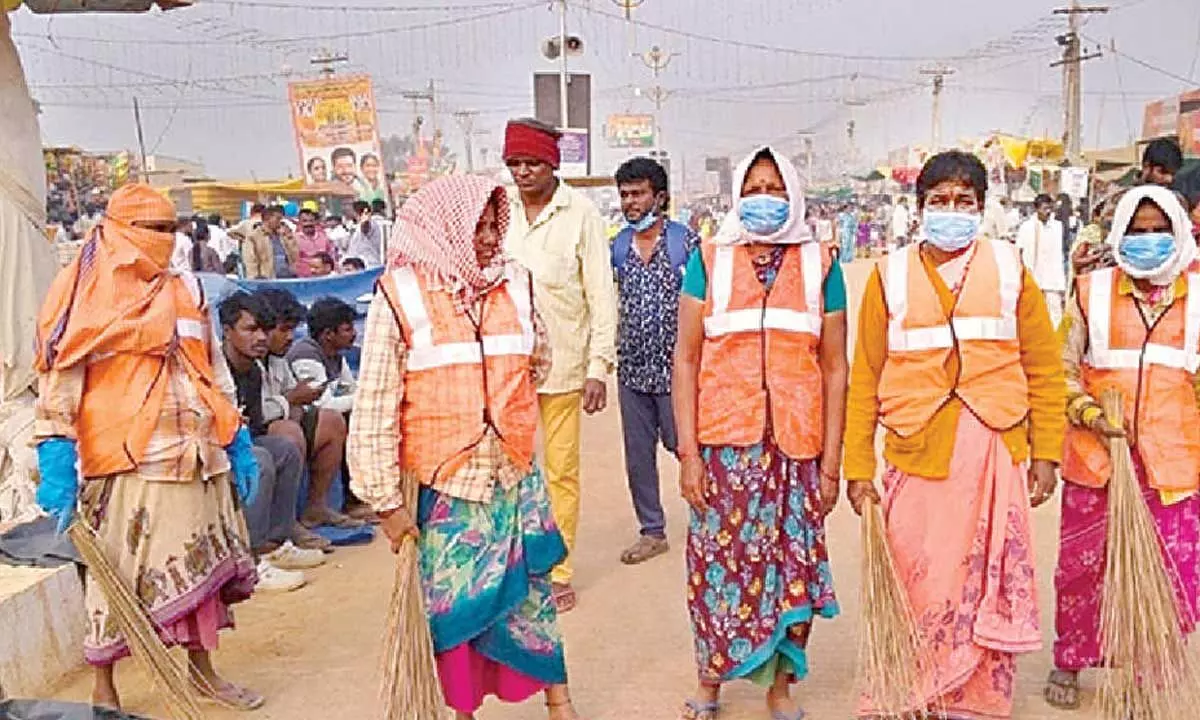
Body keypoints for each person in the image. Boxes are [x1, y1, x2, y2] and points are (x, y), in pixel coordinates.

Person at [347, 175, 581, 720]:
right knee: (453, 611)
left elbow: (537, 359)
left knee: (531, 598)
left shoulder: (515, 284)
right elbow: (377, 404)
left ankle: (560, 705)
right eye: (472, 226)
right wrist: (386, 501)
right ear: (441, 228)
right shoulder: (399, 295)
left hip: (512, 475)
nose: (483, 238)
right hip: (447, 483)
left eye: (490, 225)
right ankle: (461, 712)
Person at [844, 151, 1065, 719]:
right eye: (938, 201)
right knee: (917, 581)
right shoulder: (888, 276)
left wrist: (1046, 452)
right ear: (919, 209)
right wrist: (858, 469)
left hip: (994, 452)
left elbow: (1043, 366)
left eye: (963, 201)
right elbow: (864, 376)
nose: (951, 211)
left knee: (986, 580)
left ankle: (976, 699)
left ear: (982, 208)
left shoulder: (1011, 267)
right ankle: (915, 691)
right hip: (917, 456)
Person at [32, 183, 264, 710]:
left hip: (197, 453)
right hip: (129, 461)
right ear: (116, 230)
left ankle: (203, 674)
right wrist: (56, 461)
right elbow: (59, 385)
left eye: (169, 230)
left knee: (201, 574)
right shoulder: (80, 295)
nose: (163, 240)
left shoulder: (188, 291)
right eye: (151, 230)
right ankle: (105, 689)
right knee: (118, 581)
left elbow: (216, 371)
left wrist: (237, 438)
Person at [673, 146, 847, 720]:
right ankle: (711, 683)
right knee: (717, 568)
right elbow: (688, 361)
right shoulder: (709, 259)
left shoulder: (823, 264)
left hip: (797, 451)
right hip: (726, 448)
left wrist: (830, 464)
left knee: (795, 568)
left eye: (775, 189)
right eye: (754, 188)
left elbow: (835, 368)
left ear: (793, 196)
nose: (764, 199)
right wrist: (690, 457)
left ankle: (780, 690)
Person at [1044, 185, 1200, 710]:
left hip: (1173, 463)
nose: (1148, 240)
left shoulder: (1198, 295)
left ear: (1178, 232)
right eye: (1138, 230)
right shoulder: (1090, 291)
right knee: (1083, 567)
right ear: (1120, 233)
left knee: (1170, 570)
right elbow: (1057, 370)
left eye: (1159, 230)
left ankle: (1147, 666)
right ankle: (1071, 658)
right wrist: (1090, 414)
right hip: (1098, 457)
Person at [502, 117, 618, 613]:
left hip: (565, 367)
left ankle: (557, 568)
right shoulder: (498, 211)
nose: (524, 172)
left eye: (533, 163)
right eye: (515, 164)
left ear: (553, 165)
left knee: (561, 472)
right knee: (507, 471)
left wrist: (598, 365)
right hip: (506, 368)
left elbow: (600, 294)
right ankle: (511, 566)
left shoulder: (582, 214)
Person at [611, 157, 698, 566]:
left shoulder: (686, 243)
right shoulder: (618, 247)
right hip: (632, 370)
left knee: (686, 446)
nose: (630, 202)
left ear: (659, 197)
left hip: (676, 371)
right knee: (638, 456)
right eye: (624, 194)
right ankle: (652, 530)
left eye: (638, 193)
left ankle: (708, 519)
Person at [218, 293, 327, 584]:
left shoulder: (252, 370)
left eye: (265, 330)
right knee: (260, 458)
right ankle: (250, 560)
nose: (261, 338)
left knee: (284, 449)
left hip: (239, 440)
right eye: (250, 329)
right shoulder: (215, 367)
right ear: (227, 331)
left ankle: (275, 542)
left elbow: (255, 423)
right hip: (210, 447)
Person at [253, 289, 355, 533]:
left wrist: (293, 402)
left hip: (285, 420)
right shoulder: (252, 359)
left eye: (292, 330)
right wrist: (291, 401)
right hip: (257, 432)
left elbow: (300, 399)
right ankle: (285, 526)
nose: (290, 337)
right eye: (284, 330)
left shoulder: (277, 359)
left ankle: (317, 507)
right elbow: (259, 411)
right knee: (288, 431)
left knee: (331, 422)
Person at [1016, 193, 1068, 327]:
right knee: (1032, 310)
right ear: (1037, 209)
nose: (1048, 212)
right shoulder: (1026, 227)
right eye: (1045, 209)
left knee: (1055, 311)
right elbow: (1019, 250)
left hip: (1052, 275)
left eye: (1050, 208)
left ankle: (1057, 342)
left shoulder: (1057, 226)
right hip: (1033, 273)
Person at [244, 204, 299, 279]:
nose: (280, 222)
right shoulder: (253, 237)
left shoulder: (282, 235)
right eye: (278, 219)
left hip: (288, 276)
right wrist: (254, 278)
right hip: (268, 278)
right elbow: (250, 261)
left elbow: (295, 255)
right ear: (267, 218)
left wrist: (289, 238)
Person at [294, 205, 338, 278]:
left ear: (315, 221)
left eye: (311, 221)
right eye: (304, 221)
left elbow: (332, 257)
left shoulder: (324, 237)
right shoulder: (294, 239)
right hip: (304, 280)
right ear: (299, 222)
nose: (308, 224)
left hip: (324, 278)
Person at [347, 199, 384, 267]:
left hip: (368, 264)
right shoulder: (355, 225)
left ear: (356, 212)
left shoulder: (370, 223)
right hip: (357, 265)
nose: (347, 210)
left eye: (350, 209)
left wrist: (365, 218)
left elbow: (365, 228)